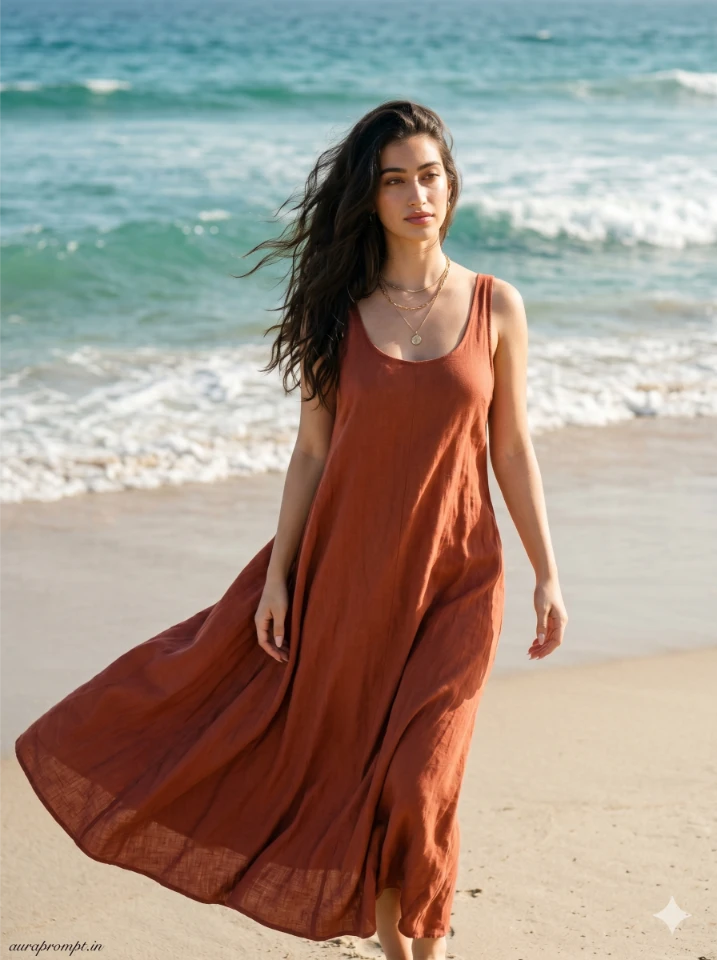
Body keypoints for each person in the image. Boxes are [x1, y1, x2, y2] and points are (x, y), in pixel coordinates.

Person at [15, 100, 568, 960]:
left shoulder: (497, 307)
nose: (417, 194)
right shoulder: (336, 313)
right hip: (348, 581)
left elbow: (512, 446)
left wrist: (546, 571)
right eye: (395, 181)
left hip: (458, 582)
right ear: (371, 198)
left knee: (423, 787)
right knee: (367, 788)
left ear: (450, 186)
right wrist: (279, 577)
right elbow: (311, 453)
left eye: (429, 175)